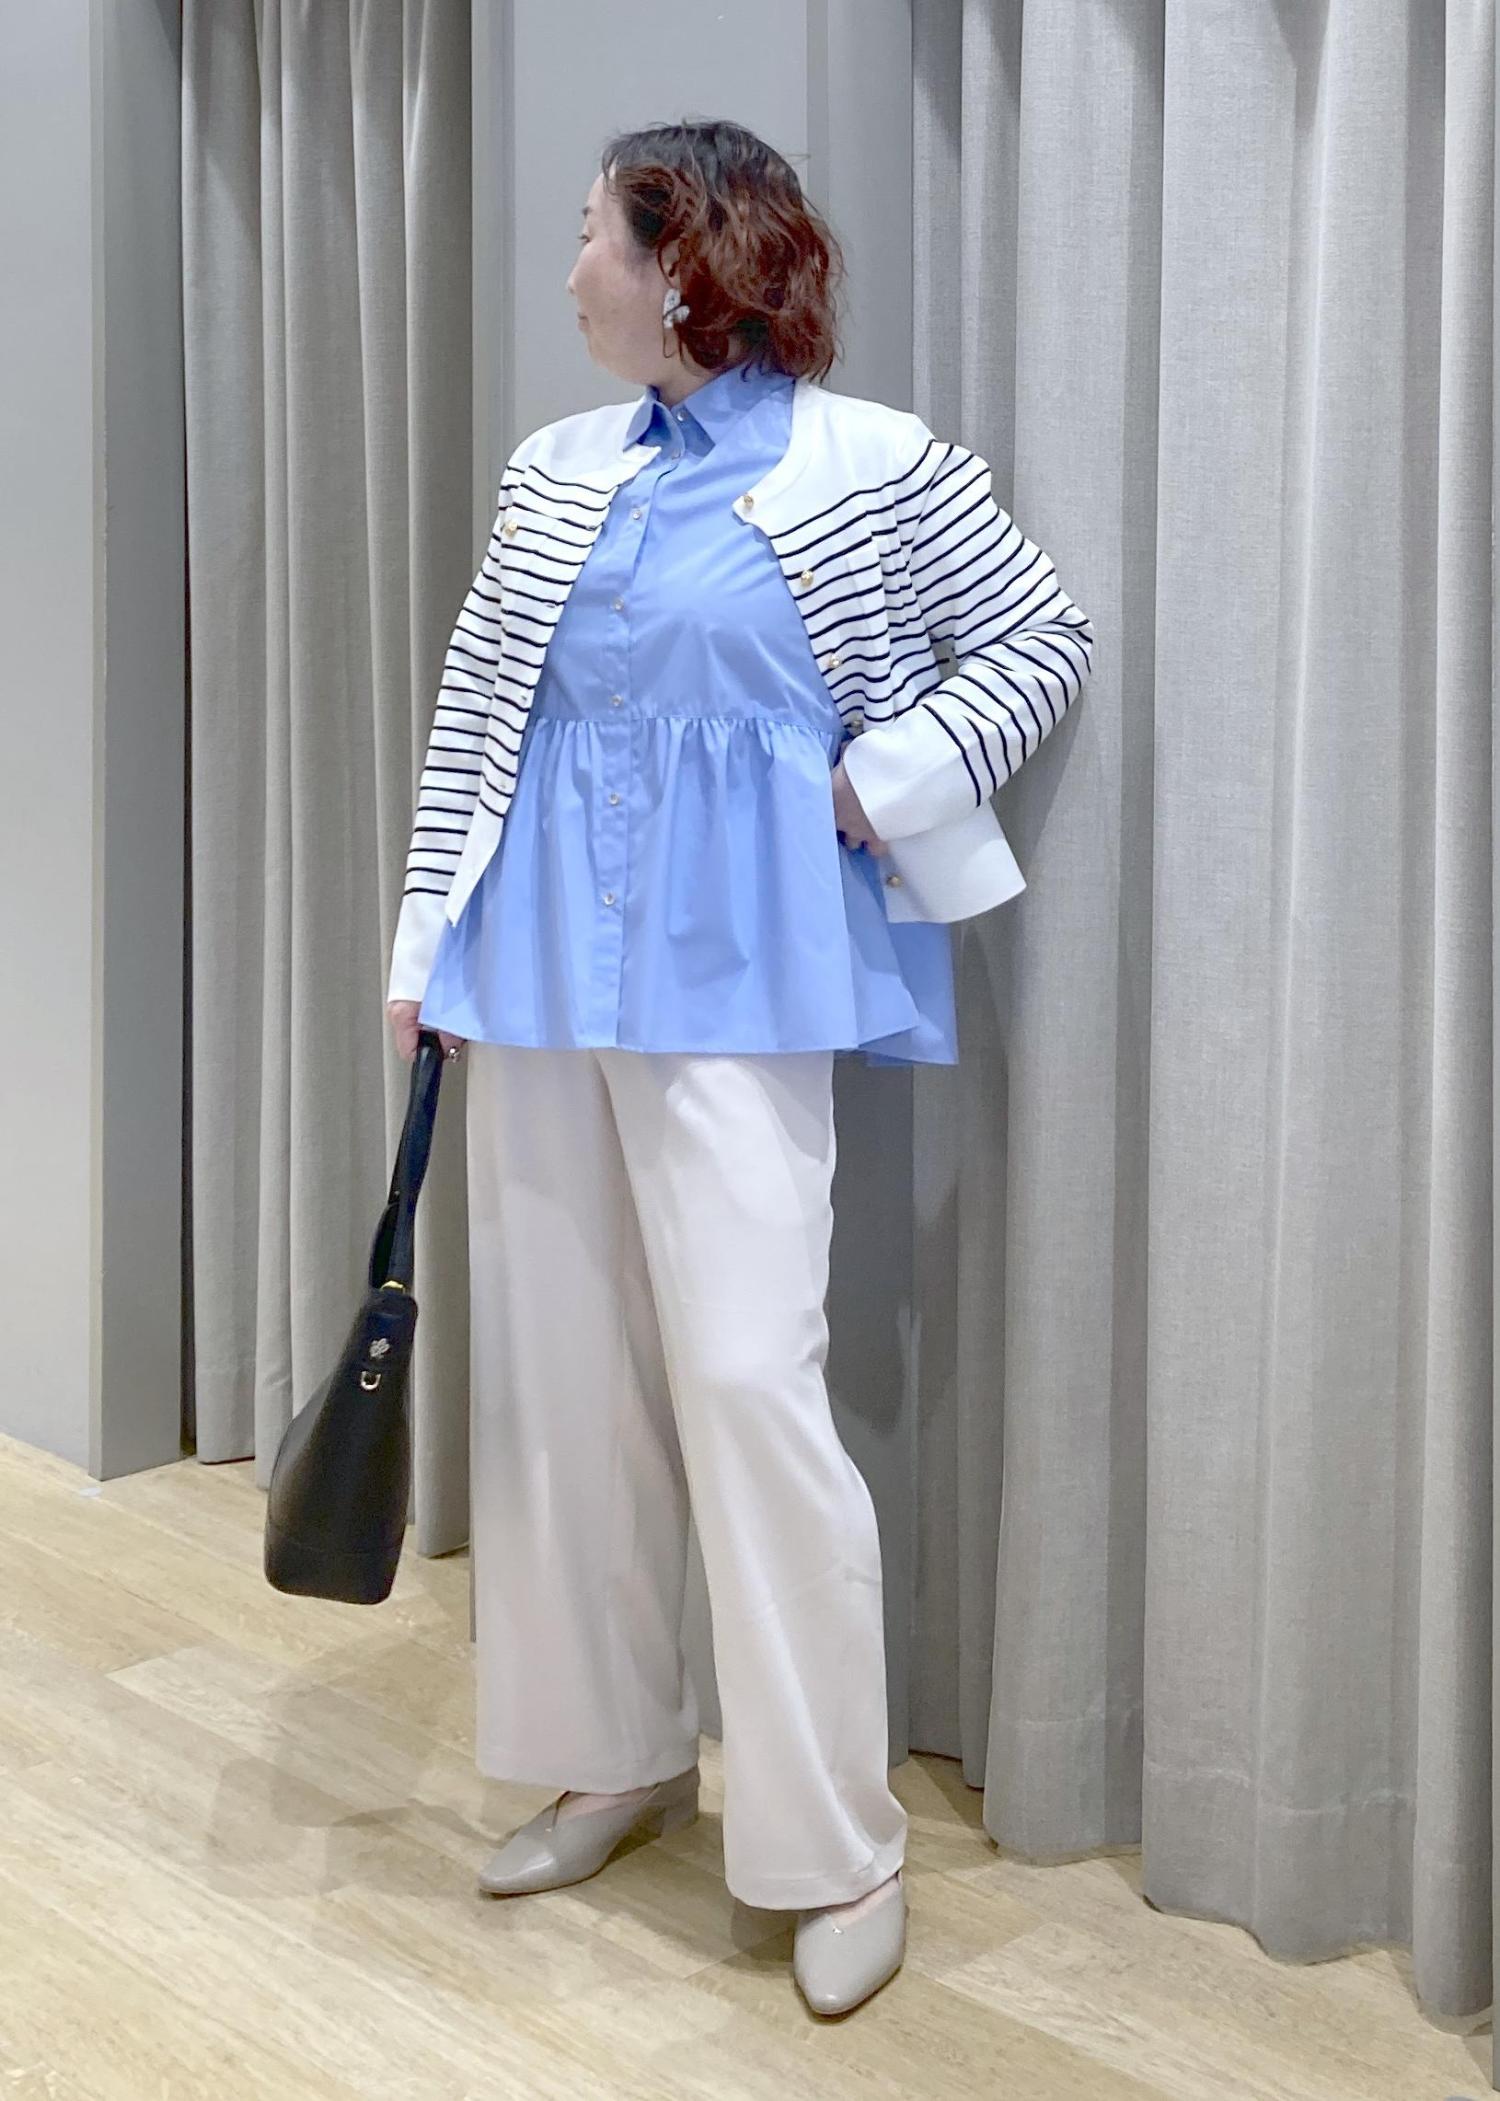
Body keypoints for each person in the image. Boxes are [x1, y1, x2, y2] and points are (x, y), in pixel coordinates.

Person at [385, 118, 1092, 2018]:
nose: (568, 275)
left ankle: (838, 1840)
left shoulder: (875, 465)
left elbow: (1042, 637)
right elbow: (476, 718)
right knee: (566, 1388)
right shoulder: (553, 471)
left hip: (743, 980)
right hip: (540, 969)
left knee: (747, 1387)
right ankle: (612, 1757)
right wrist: (423, 943)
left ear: (686, 256)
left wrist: (891, 774)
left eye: (592, 239)